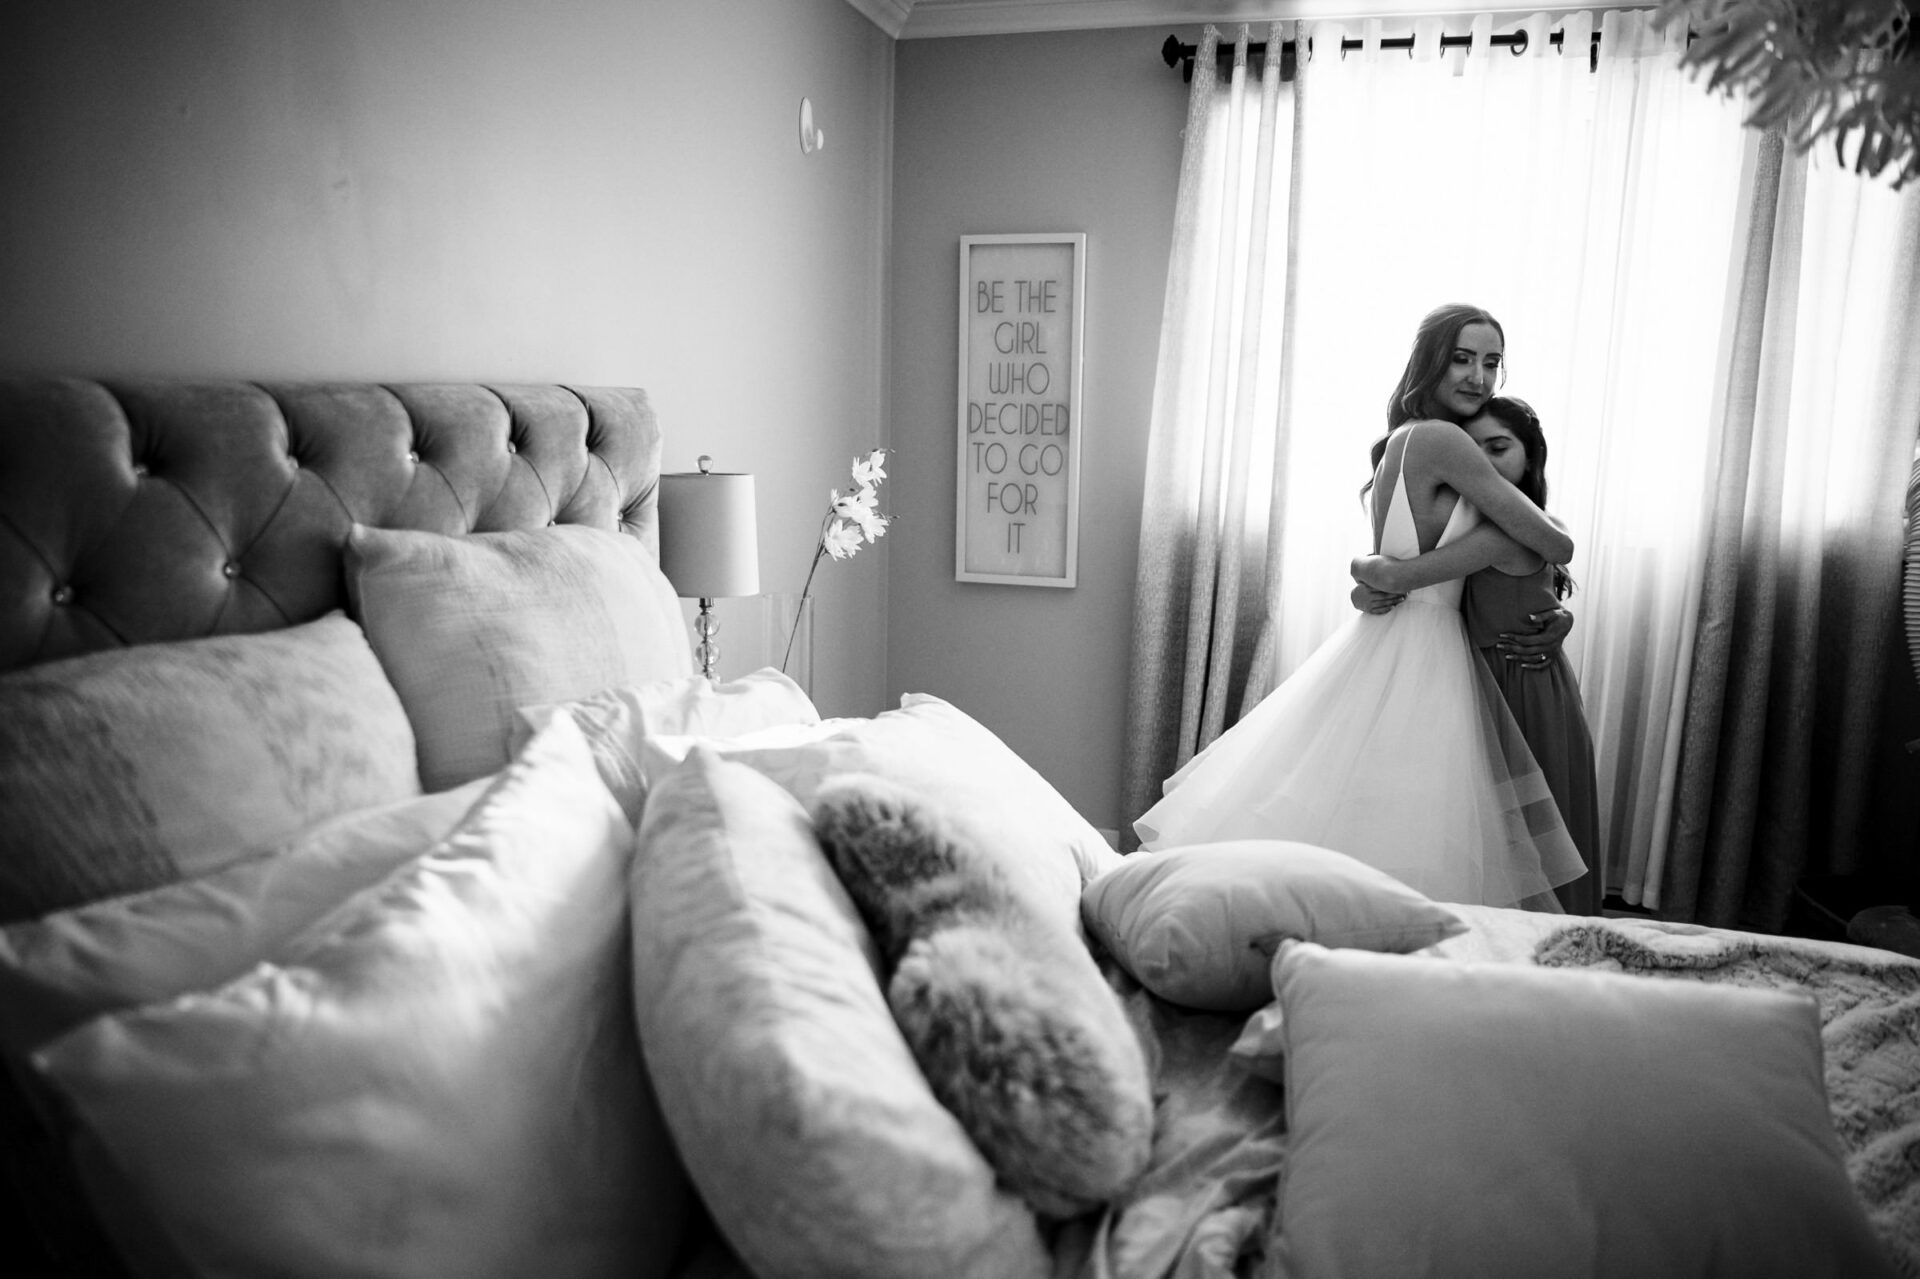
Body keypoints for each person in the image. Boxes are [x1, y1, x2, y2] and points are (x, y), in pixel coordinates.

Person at [1133, 307, 1586, 911]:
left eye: (1491, 361)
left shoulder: (1404, 442)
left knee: (1357, 811)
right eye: (1462, 358)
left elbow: (1395, 563)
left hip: (1393, 632)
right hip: (1425, 647)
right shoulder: (1443, 439)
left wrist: (1370, 574)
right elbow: (1553, 542)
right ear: (1430, 360)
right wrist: (1379, 572)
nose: (1478, 376)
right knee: (1419, 831)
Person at [1350, 396, 1603, 914]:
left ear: (1531, 458)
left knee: (1534, 832)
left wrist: (1366, 572)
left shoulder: (1509, 528)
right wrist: (1363, 583)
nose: (1483, 463)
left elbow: (1402, 576)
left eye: (1499, 448)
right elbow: (1425, 578)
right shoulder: (1478, 519)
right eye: (1474, 450)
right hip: (1479, 678)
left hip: (1524, 687)